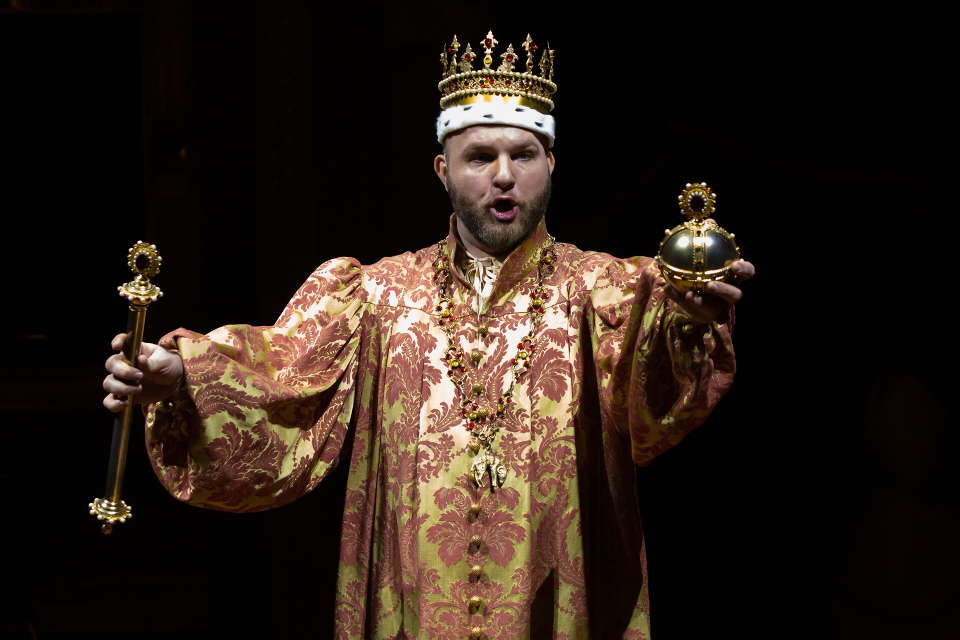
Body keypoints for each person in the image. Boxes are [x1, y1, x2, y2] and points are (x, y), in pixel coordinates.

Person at [103, 32, 755, 640]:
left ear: (550, 163)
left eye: (522, 155)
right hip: (414, 598)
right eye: (481, 157)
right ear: (442, 169)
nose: (504, 175)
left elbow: (655, 401)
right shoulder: (376, 293)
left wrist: (688, 322)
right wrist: (184, 373)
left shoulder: (607, 291)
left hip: (558, 597)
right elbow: (283, 371)